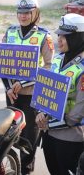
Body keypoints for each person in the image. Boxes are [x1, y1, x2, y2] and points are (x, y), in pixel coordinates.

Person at [1, 0, 55, 175]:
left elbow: (49, 66)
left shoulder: (43, 36)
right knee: (8, 135)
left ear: (35, 13)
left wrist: (24, 82)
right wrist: (9, 87)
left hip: (32, 96)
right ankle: (8, 166)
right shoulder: (10, 33)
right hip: (12, 95)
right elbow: (2, 62)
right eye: (20, 12)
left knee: (29, 138)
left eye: (27, 12)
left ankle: (26, 169)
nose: (23, 16)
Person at [36, 13, 84, 175]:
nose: (59, 39)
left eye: (65, 36)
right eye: (59, 34)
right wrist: (40, 113)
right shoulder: (58, 59)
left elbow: (76, 115)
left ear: (78, 38)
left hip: (71, 140)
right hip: (50, 136)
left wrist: (48, 124)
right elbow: (46, 92)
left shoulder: (83, 69)